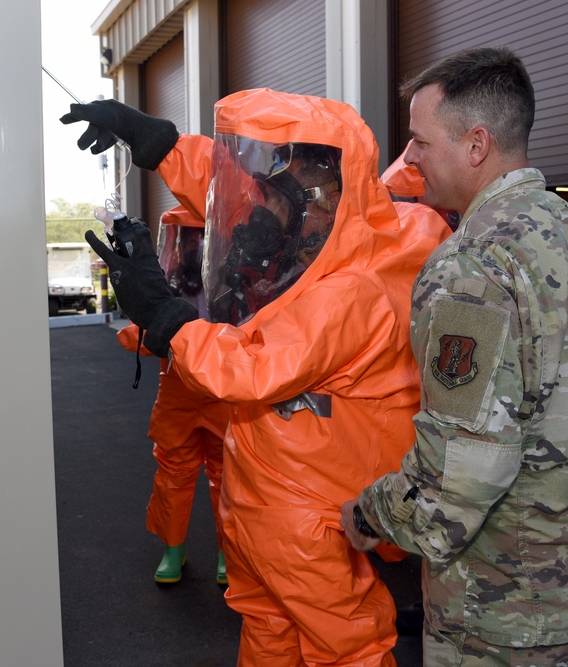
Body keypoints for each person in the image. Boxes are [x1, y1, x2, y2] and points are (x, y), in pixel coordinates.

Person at [63, 89, 450, 665]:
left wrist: (165, 315)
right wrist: (160, 143)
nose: (259, 212)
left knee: (346, 644)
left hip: (303, 504)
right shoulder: (371, 236)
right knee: (269, 624)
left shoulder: (350, 294)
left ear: (324, 203)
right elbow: (236, 200)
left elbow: (246, 369)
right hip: (274, 487)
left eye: (279, 199)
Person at [339, 46, 568, 666]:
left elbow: (462, 473)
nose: (410, 158)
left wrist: (372, 515)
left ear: (476, 144)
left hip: (500, 615)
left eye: (419, 140)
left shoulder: (470, 265)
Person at [116, 208, 229, 585]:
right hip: (178, 391)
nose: (191, 246)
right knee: (172, 472)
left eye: (197, 237)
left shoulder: (232, 282)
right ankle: (173, 548)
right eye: (185, 238)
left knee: (228, 474)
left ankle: (229, 551)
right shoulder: (169, 282)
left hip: (223, 389)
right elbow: (144, 338)